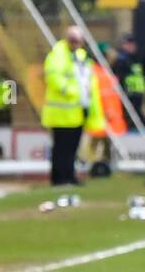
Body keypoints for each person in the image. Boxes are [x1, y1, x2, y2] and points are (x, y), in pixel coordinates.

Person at [41, 26, 100, 186]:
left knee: (73, 147)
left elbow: (87, 79)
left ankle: (70, 175)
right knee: (61, 147)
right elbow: (53, 78)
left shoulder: (81, 56)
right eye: (73, 41)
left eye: (79, 41)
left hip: (77, 110)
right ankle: (58, 178)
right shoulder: (57, 55)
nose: (76, 44)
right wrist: (70, 91)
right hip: (61, 112)